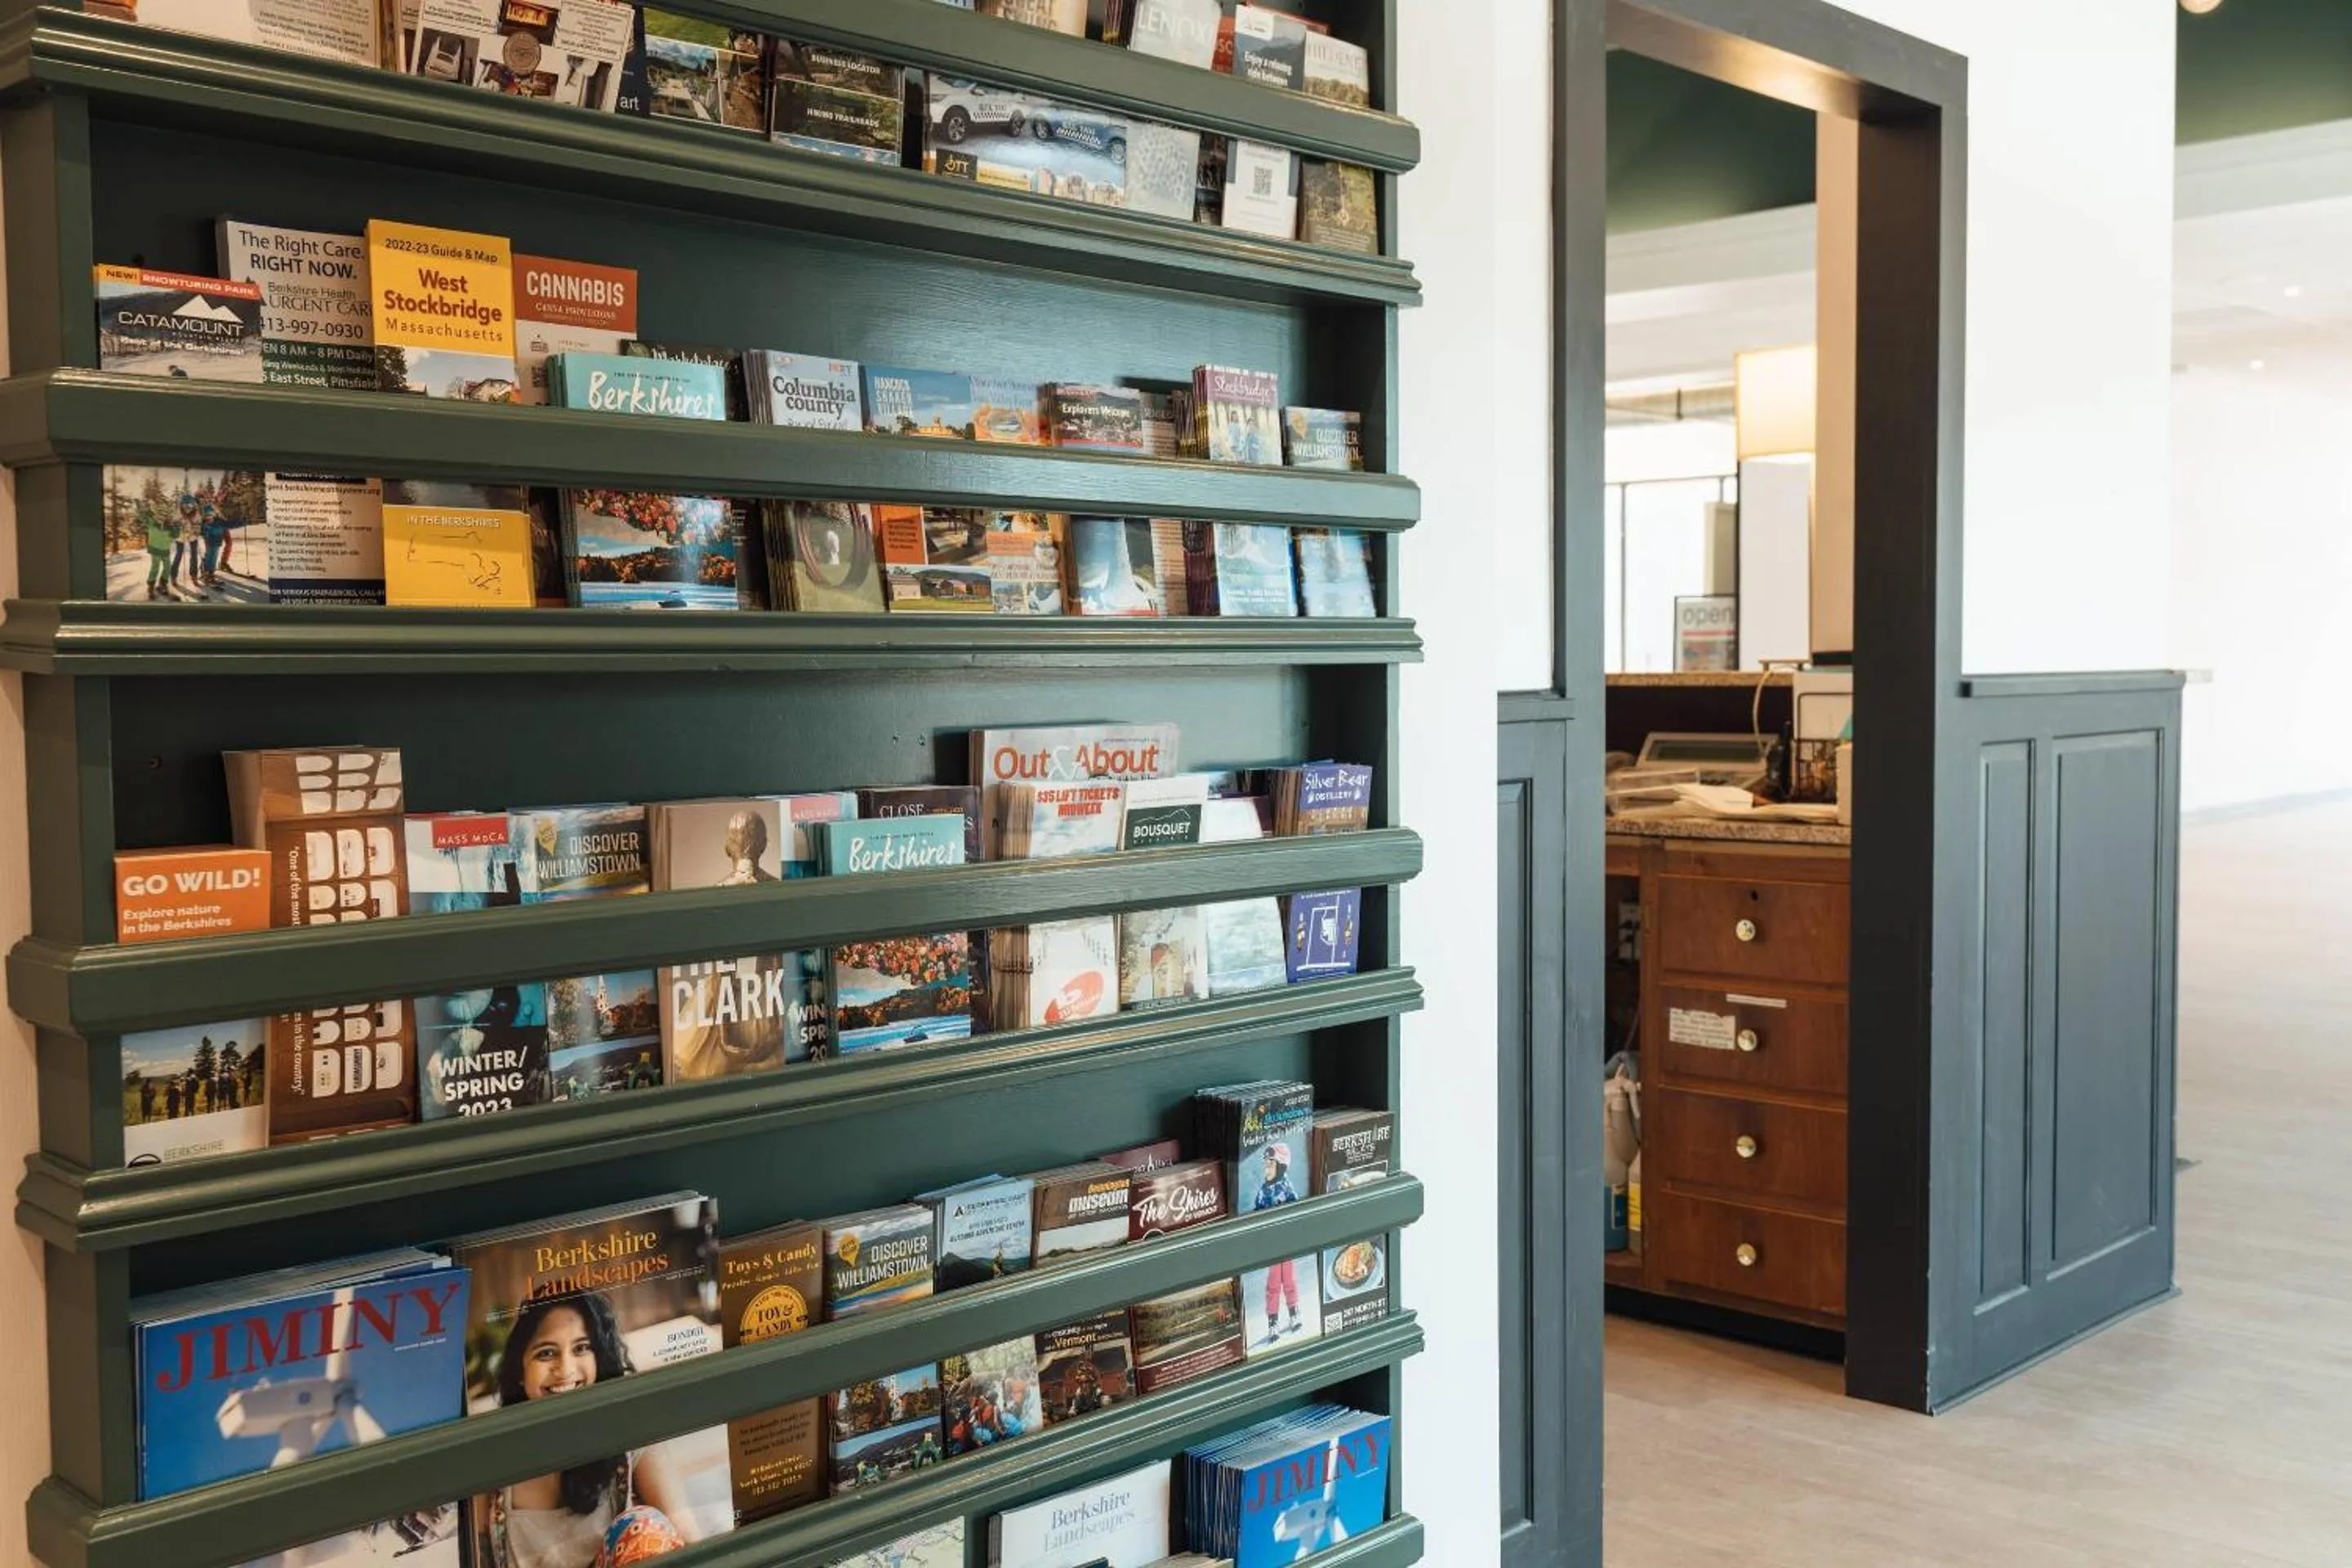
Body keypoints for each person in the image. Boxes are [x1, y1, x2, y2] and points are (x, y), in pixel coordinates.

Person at [476, 1293, 706, 1568]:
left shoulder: (632, 1439)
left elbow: (692, 1545)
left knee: (644, 1528)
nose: (566, 1370)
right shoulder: (492, 1466)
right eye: (546, 1353)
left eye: (582, 1348)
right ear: (520, 1373)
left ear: (600, 1359)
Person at [1250, 1142, 1305, 1342]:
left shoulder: (1286, 1187)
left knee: (1289, 1280)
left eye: (1270, 1163)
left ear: (1281, 1166)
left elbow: (1295, 1209)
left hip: (1287, 1243)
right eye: (1265, 1162)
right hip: (1272, 1246)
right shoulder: (1263, 1191)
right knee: (1273, 1283)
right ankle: (1273, 1321)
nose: (1266, 1166)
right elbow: (1257, 1214)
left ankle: (1294, 1311)